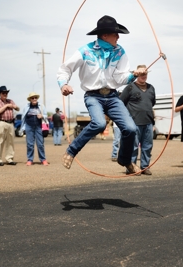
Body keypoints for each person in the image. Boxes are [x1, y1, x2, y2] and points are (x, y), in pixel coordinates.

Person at [57, 15, 148, 174]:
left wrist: (134, 74)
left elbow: (120, 78)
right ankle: (71, 150)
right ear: (105, 35)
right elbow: (65, 69)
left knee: (130, 129)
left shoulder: (120, 52)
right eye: (115, 33)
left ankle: (125, 160)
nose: (118, 37)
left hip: (112, 97)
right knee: (99, 124)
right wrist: (63, 84)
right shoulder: (85, 51)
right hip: (93, 96)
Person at [120, 65, 155, 175]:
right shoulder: (130, 87)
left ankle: (145, 167)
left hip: (148, 122)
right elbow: (121, 102)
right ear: (137, 74)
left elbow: (152, 103)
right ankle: (131, 167)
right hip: (134, 122)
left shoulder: (151, 88)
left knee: (147, 146)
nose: (144, 75)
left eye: (145, 73)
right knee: (133, 147)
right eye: (141, 73)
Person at [0, 86, 20, 166]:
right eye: (3, 93)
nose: (5, 94)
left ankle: (9, 158)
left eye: (6, 93)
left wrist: (15, 107)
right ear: (0, 94)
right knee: (0, 141)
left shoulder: (10, 101)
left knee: (10, 141)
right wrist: (6, 106)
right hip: (2, 122)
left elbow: (18, 108)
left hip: (10, 123)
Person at [20, 92, 49, 166]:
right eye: (32, 98)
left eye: (35, 97)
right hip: (29, 126)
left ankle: (43, 159)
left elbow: (46, 115)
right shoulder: (26, 107)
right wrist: (23, 128)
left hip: (39, 126)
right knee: (30, 144)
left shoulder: (41, 106)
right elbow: (23, 117)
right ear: (30, 99)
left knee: (40, 144)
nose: (34, 99)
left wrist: (42, 116)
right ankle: (30, 159)